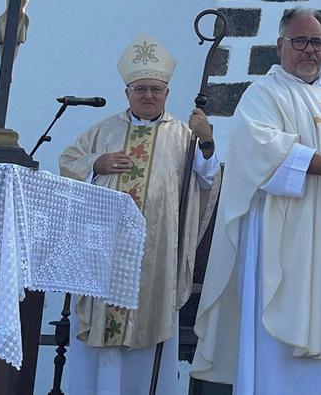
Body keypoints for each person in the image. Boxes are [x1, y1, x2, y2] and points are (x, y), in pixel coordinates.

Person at [192, 7, 321, 393]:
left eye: (317, 42)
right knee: (279, 338)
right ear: (280, 45)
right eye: (300, 41)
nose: (310, 50)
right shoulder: (264, 94)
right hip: (285, 240)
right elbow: (260, 148)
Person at [59, 34, 220, 395]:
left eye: (156, 90)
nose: (148, 95)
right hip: (105, 252)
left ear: (167, 93)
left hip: (155, 257)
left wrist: (207, 141)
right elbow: (68, 161)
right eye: (141, 89)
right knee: (103, 338)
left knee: (148, 336)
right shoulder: (104, 130)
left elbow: (208, 179)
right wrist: (95, 163)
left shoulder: (183, 137)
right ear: (127, 92)